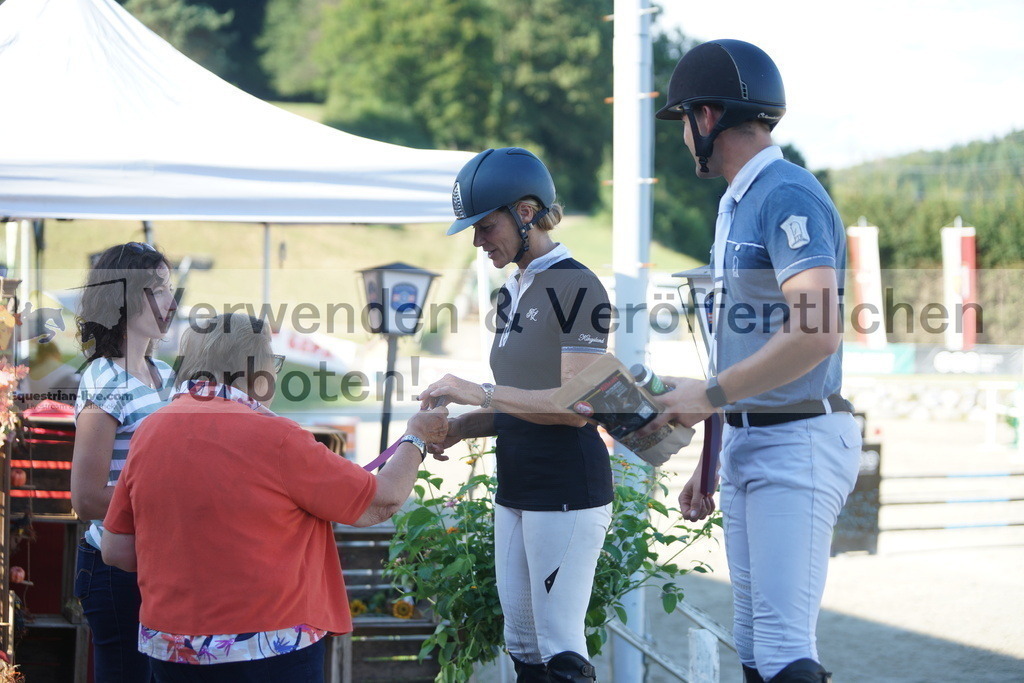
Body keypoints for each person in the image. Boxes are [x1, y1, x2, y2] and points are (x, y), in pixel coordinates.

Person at [645, 40, 862, 683]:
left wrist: (710, 398)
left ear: (706, 118)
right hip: (750, 441)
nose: (684, 138)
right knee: (754, 644)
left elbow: (817, 330)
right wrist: (713, 454)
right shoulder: (736, 201)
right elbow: (735, 347)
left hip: (797, 439)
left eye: (683, 121)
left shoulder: (786, 194)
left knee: (783, 648)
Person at [100, 313, 449, 682]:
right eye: (274, 361)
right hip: (267, 645)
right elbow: (383, 500)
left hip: (171, 648)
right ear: (256, 369)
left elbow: (116, 549)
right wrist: (415, 438)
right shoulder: (277, 437)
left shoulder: (150, 431)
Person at [419, 147, 611, 683]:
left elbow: (577, 407)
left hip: (567, 485)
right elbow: (519, 400)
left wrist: (477, 392)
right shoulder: (510, 291)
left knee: (561, 649)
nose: (479, 241)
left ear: (526, 211)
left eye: (485, 226)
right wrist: (461, 428)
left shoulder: (577, 284)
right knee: (521, 643)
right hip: (517, 484)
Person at [72, 241, 178, 682]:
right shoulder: (104, 379)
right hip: (115, 570)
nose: (171, 302)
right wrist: (173, 505)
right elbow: (87, 497)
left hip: (159, 563)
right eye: (157, 289)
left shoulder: (167, 374)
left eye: (171, 288)